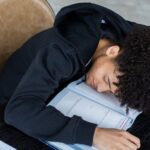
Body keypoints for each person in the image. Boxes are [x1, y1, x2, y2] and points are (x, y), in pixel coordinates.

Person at [0, 2, 150, 150]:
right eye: (107, 80)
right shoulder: (62, 53)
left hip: (62, 91)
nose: (100, 89)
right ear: (112, 51)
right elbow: (18, 111)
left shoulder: (131, 42)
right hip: (12, 108)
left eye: (111, 91)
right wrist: (94, 135)